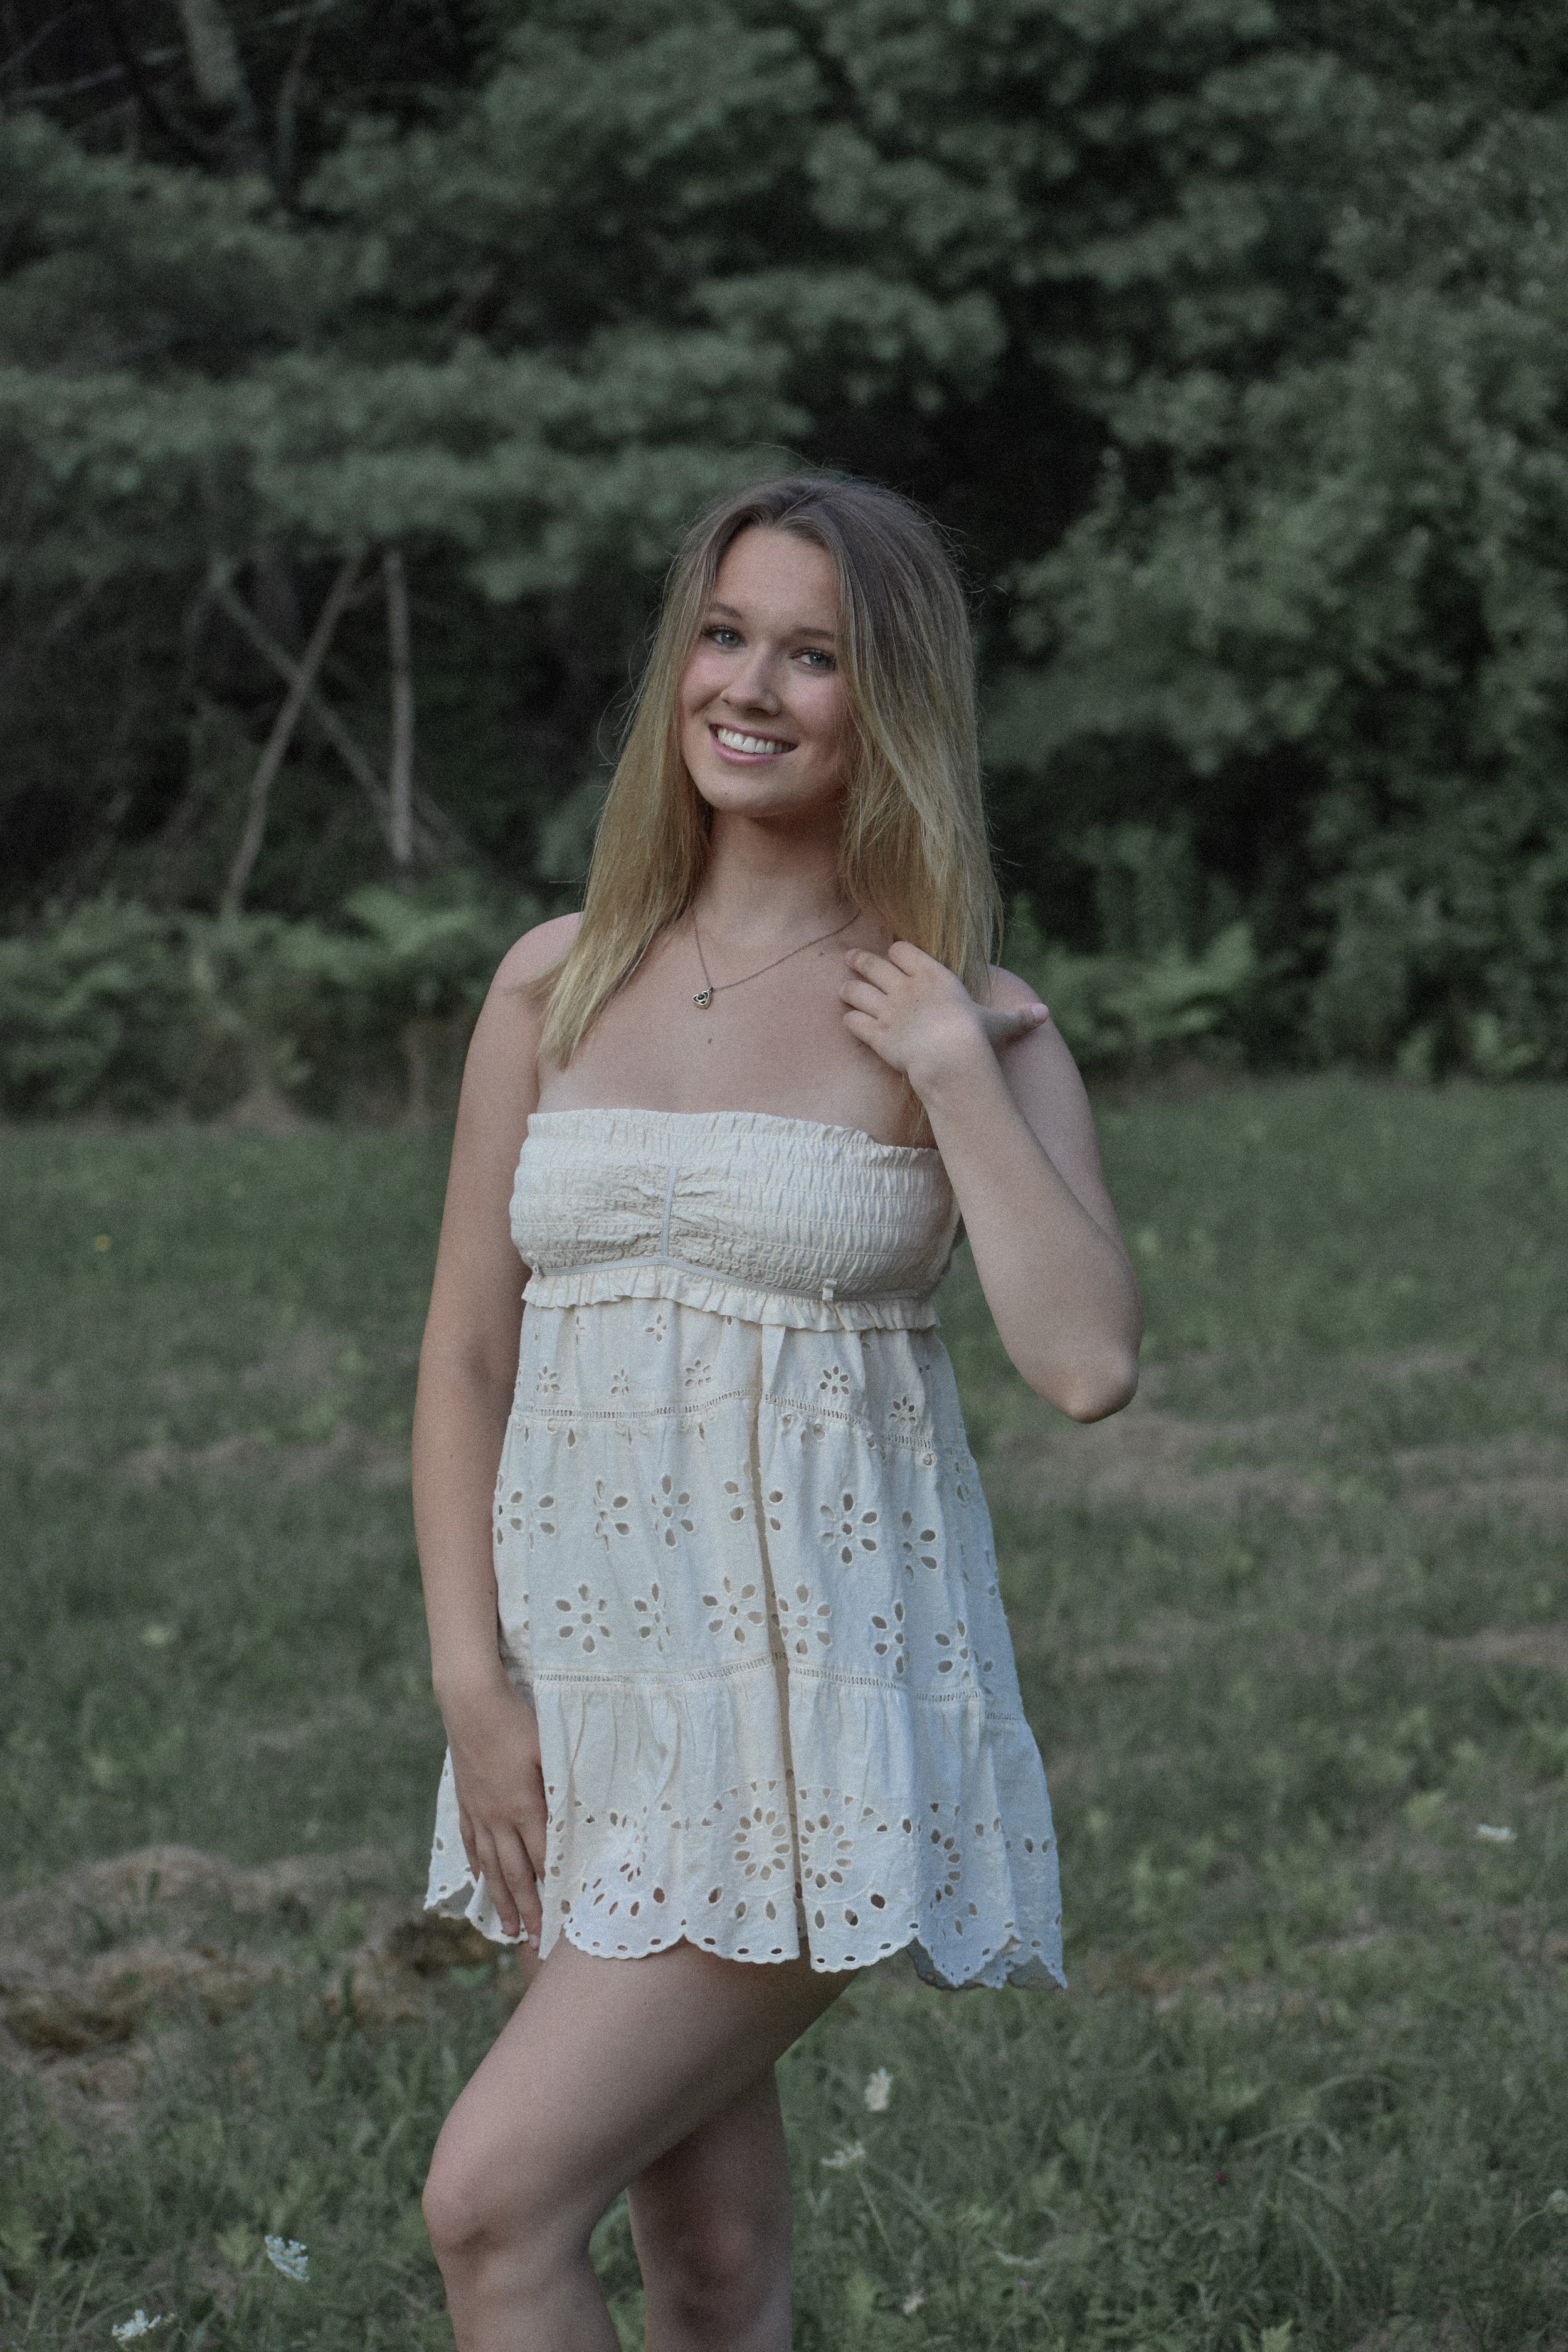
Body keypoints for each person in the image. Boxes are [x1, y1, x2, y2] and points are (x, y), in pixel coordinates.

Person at [412, 474, 1142, 2351]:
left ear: (884, 703)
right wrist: (476, 1692)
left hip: (805, 1715)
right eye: (725, 636)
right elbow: (468, 1354)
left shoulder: (959, 1010)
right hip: (587, 1693)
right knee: (715, 2269)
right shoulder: (553, 979)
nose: (749, 686)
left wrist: (947, 1069)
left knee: (491, 2206)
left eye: (810, 656)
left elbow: (1084, 1363)